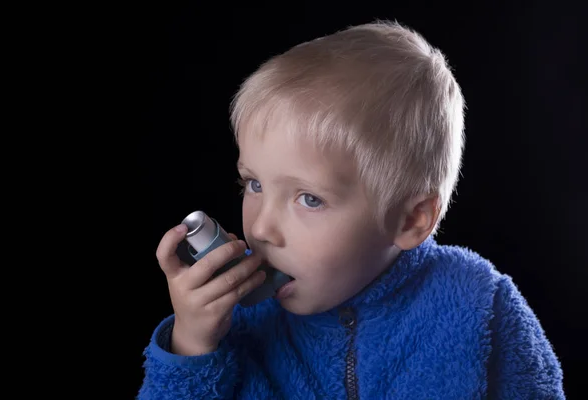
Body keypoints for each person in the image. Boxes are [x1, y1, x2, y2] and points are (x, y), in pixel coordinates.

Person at [138, 20, 565, 399]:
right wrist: (191, 346)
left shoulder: (480, 305)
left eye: (309, 198)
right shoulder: (234, 323)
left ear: (410, 219)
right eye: (254, 184)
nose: (261, 228)